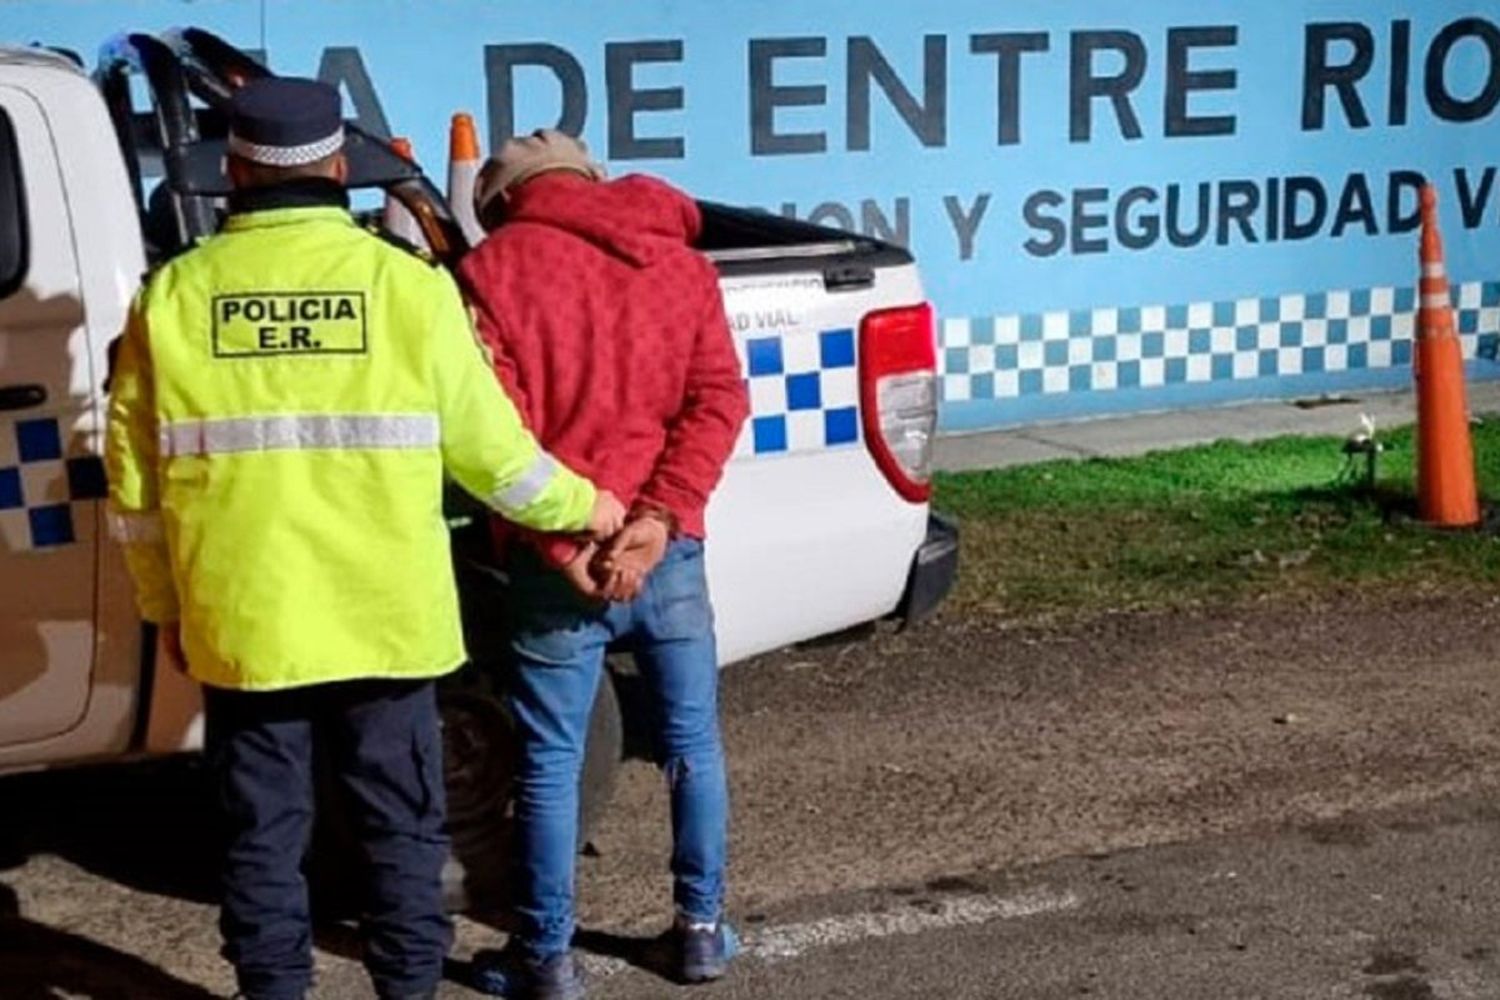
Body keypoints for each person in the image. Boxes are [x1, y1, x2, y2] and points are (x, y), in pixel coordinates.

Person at [104, 80, 624, 1000]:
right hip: (387, 623)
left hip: (249, 624)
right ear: (341, 170)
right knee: (401, 831)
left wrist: (165, 608)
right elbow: (496, 459)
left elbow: (137, 488)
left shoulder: (173, 297)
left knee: (262, 836)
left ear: (232, 171)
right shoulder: (406, 287)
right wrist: (588, 507)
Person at [458, 131, 750, 999]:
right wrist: (658, 521)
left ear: (506, 200)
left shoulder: (492, 274)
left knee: (550, 760)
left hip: (559, 564)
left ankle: (546, 959)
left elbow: (497, 441)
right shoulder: (680, 261)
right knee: (693, 744)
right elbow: (717, 402)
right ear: (591, 178)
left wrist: (565, 544)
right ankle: (699, 932)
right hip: (669, 552)